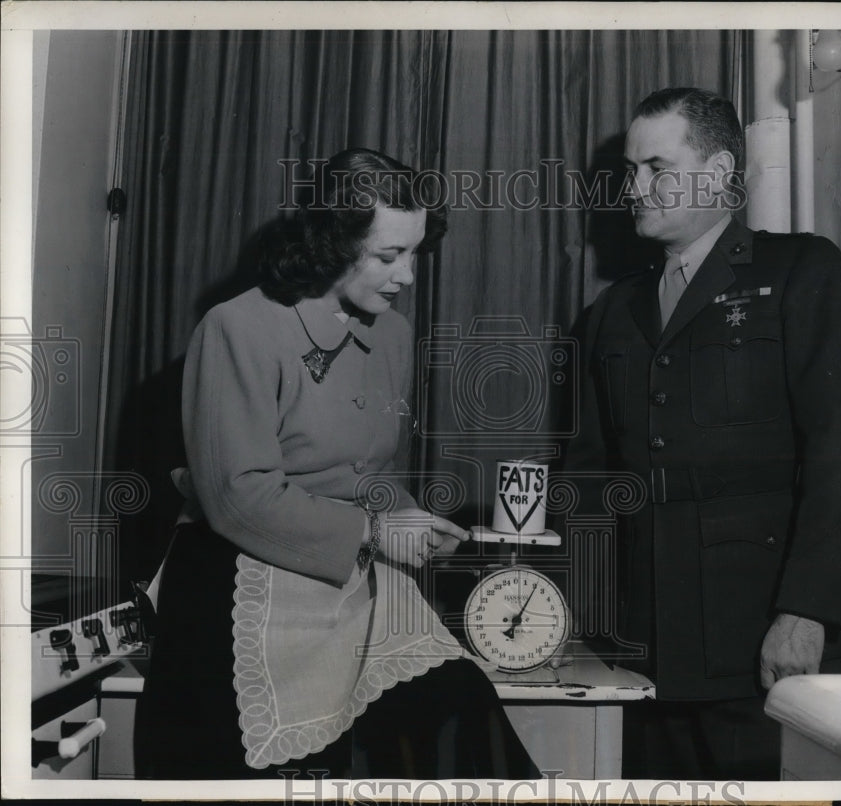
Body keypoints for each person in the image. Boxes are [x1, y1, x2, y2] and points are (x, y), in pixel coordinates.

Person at [135, 148, 538, 780]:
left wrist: (407, 517)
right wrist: (374, 533)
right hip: (234, 574)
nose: (406, 275)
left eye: (414, 253)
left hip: (347, 574)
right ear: (329, 243)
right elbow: (235, 494)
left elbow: (372, 473)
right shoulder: (235, 326)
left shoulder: (393, 334)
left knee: (461, 707)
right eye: (387, 256)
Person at [563, 88, 841, 779]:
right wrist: (580, 625)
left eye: (657, 167)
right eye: (629, 169)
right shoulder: (611, 311)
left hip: (764, 642)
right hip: (643, 651)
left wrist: (807, 611)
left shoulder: (800, 270)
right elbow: (588, 479)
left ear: (717, 173)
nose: (634, 187)